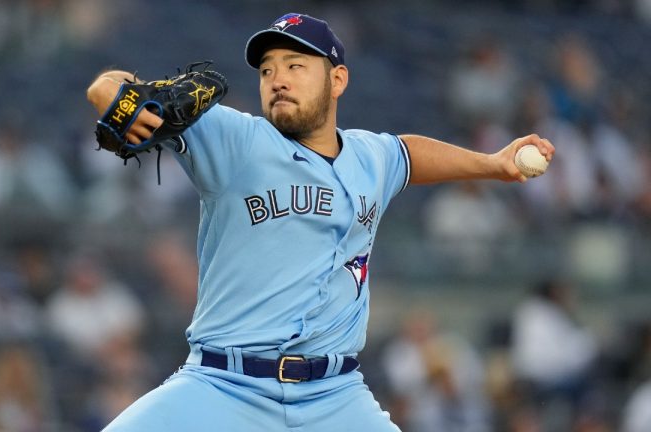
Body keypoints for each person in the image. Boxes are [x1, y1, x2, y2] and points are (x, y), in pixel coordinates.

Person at [85, 13, 555, 431]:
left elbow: (410, 153)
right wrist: (119, 98)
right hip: (225, 388)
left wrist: (493, 164)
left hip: (335, 396)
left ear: (338, 80)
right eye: (268, 70)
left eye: (295, 65)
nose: (278, 79)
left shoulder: (372, 156)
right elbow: (105, 88)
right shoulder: (236, 138)